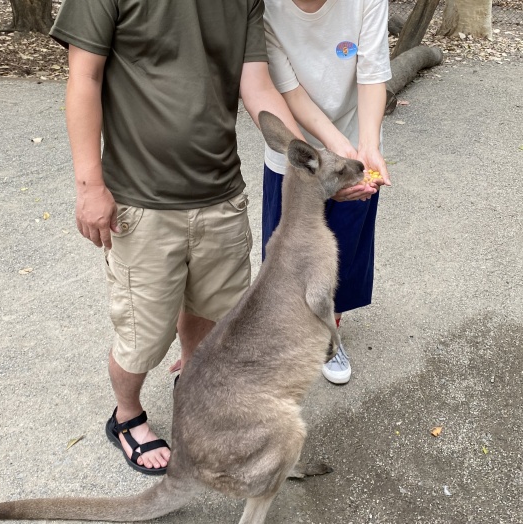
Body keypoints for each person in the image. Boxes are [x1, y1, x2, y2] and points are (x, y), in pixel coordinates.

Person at [49, 1, 303, 475]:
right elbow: (84, 77)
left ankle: (191, 378)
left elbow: (257, 84)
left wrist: (308, 161)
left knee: (212, 310)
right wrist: (89, 185)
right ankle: (127, 416)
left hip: (221, 195)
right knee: (143, 333)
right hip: (141, 202)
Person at [262, 0, 392, 384]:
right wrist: (331, 156)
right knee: (286, 249)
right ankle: (286, 331)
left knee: (344, 247)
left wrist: (364, 148)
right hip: (299, 149)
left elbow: (371, 73)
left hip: (353, 141)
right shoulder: (266, 7)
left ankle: (327, 336)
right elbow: (289, 89)